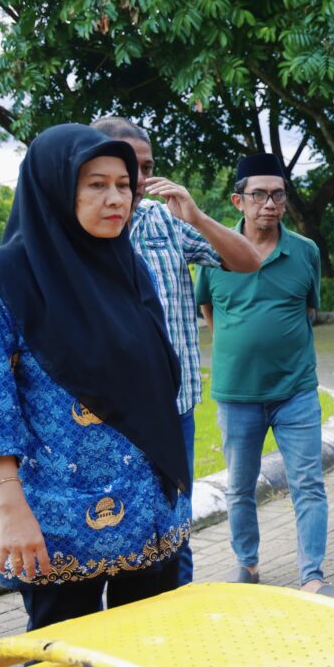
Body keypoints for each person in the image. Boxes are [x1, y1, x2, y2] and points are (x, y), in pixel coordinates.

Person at [0, 123, 190, 667]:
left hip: (147, 506)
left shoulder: (127, 265)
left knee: (151, 658)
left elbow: (158, 374)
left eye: (124, 186)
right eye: (95, 185)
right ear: (52, 190)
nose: (116, 200)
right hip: (57, 521)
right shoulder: (5, 277)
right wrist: (9, 505)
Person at [91, 116, 260, 589]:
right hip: (107, 417)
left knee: (173, 529)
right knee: (109, 531)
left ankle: (176, 625)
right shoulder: (80, 233)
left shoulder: (164, 222)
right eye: (128, 167)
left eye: (146, 167)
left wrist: (197, 216)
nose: (140, 180)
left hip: (175, 408)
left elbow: (248, 261)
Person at [195, 153, 334, 598]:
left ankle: (313, 575)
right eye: (259, 194)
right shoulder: (213, 252)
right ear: (239, 200)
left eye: (278, 193)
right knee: (240, 486)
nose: (270, 203)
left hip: (295, 391)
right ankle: (248, 564)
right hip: (236, 395)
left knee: (308, 483)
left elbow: (308, 309)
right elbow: (209, 310)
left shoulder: (305, 251)